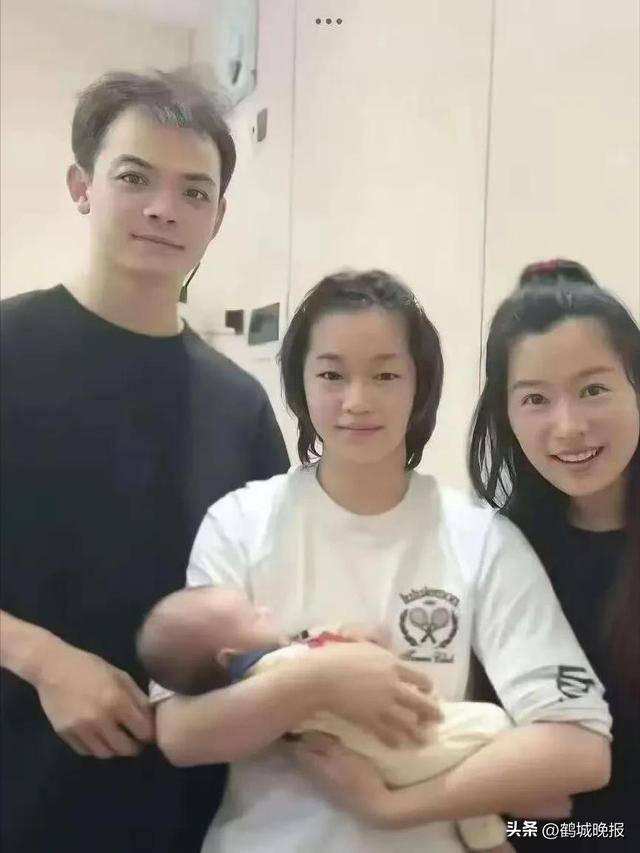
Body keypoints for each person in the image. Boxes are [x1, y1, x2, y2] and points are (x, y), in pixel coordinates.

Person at [154, 269, 612, 853]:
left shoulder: (480, 538)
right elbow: (181, 734)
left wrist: (388, 809)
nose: (357, 401)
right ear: (299, 384)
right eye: (331, 374)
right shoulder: (240, 523)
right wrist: (320, 681)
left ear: (421, 386)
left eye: (386, 374)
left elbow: (580, 746)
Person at [0, 68, 291, 853]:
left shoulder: (238, 405)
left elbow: (269, 595)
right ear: (82, 186)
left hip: (183, 803)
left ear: (217, 217)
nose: (165, 208)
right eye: (135, 178)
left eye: (195, 192)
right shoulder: (9, 350)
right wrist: (43, 659)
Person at [469, 259, 640, 850]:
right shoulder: (490, 550)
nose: (568, 427)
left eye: (593, 390)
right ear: (506, 414)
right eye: (536, 399)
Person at [138, 585, 513, 851]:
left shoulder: (271, 678)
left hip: (388, 759)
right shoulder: (274, 670)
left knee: (470, 780)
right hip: (402, 750)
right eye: (253, 615)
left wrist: (349, 641)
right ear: (230, 656)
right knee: (495, 725)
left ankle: (486, 835)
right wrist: (348, 653)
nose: (265, 610)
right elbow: (328, 665)